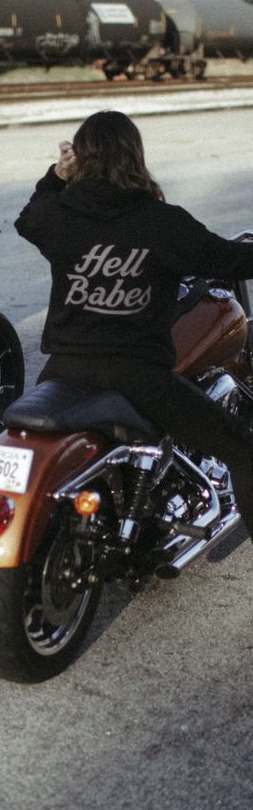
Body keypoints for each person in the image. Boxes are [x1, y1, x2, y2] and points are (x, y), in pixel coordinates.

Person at [14, 109, 253, 539]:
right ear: (135, 156)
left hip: (64, 369)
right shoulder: (162, 222)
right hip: (136, 374)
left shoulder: (60, 213)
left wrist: (56, 174)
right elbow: (228, 258)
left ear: (82, 159)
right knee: (241, 446)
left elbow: (28, 218)